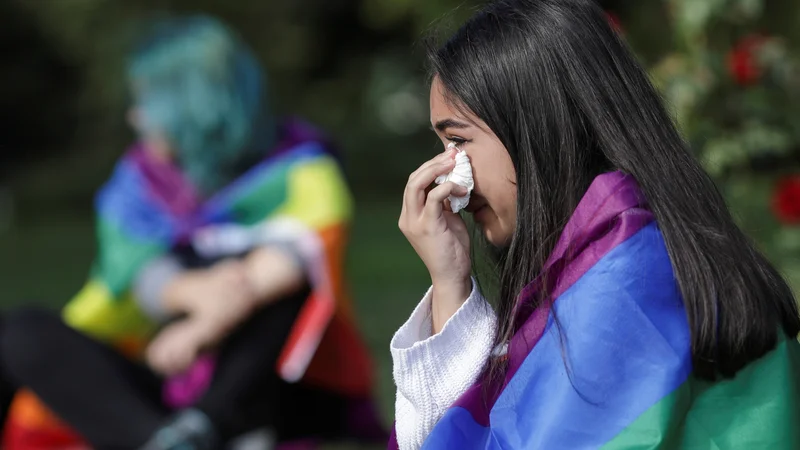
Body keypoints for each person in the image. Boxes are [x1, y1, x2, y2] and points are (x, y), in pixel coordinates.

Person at [391, 0, 800, 449]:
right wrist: (450, 283)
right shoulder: (627, 256)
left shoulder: (627, 280)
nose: (448, 174)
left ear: (539, 123)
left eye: (458, 140)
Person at [0, 15, 385, 450]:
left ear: (194, 103)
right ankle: (163, 440)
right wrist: (193, 291)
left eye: (145, 102)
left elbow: (302, 251)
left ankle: (204, 425)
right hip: (158, 370)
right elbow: (135, 270)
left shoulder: (300, 167)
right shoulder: (137, 181)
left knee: (279, 289)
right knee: (20, 331)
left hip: (266, 386)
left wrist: (207, 322)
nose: (134, 116)